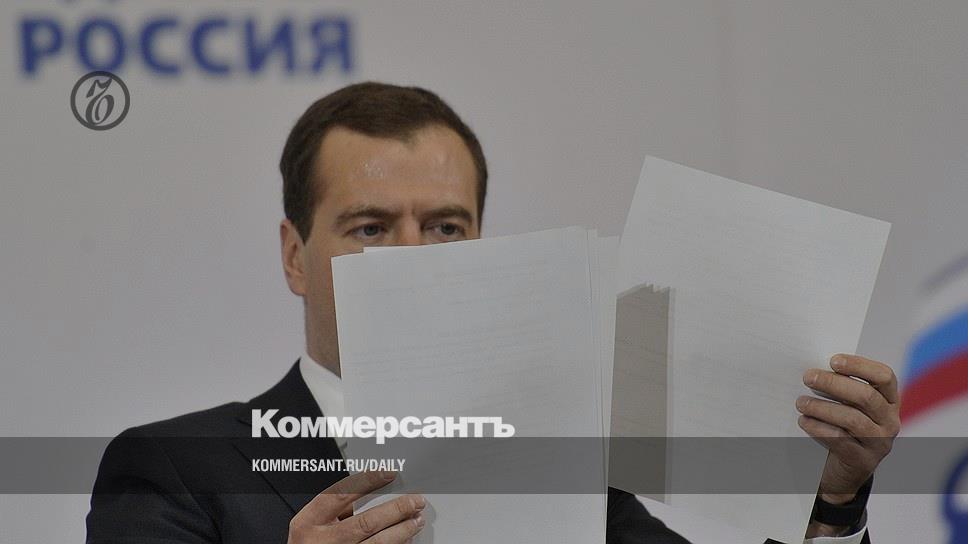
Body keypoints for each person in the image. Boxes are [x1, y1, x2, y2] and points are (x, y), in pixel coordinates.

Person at [86, 82, 900, 544]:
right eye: (370, 228)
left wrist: (830, 503)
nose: (415, 258)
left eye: (447, 227)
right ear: (295, 256)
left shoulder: (571, 477)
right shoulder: (172, 469)